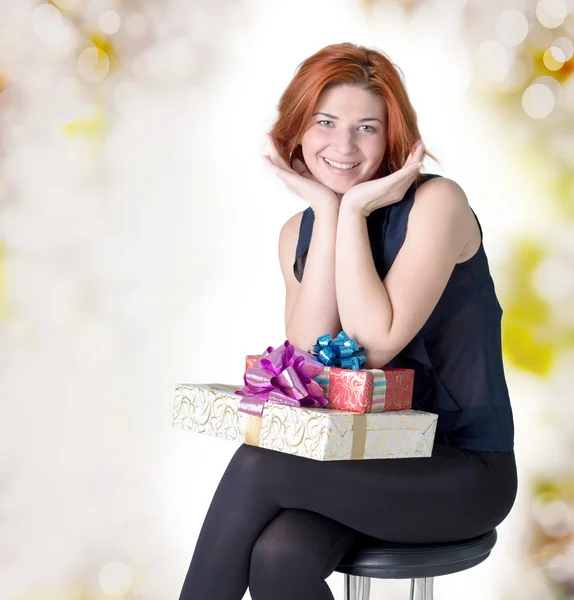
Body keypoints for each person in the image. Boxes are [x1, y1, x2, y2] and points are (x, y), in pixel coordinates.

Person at [178, 42, 517, 600]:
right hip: (359, 464)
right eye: (326, 122)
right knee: (278, 557)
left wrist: (355, 208)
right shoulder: (299, 232)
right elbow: (314, 358)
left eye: (367, 127)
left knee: (261, 463)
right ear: (298, 129)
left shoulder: (439, 204)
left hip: (460, 470)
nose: (343, 145)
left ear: (393, 138)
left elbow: (373, 343)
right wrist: (330, 212)